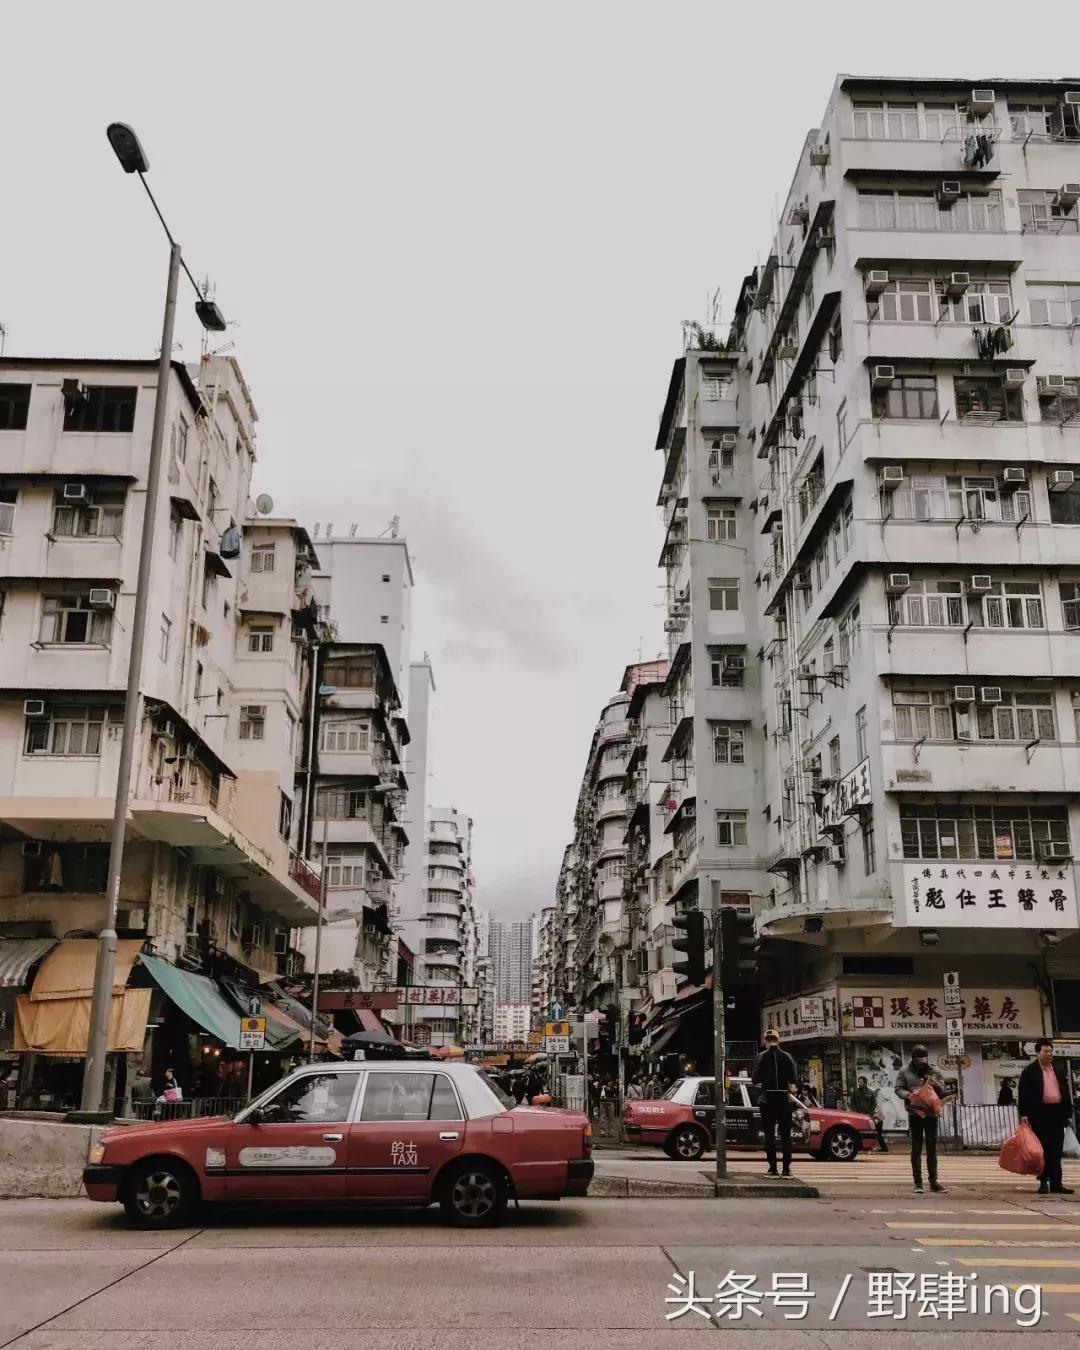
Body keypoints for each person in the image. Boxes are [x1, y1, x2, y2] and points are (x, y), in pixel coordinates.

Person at [1018, 1038, 1075, 1196]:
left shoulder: (1058, 1068)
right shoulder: (1030, 1072)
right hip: (1039, 1114)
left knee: (1056, 1150)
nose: (1049, 1054)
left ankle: (1057, 1183)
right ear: (1037, 1053)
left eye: (1051, 1051)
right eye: (1046, 1051)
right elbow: (1023, 1095)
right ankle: (1043, 1182)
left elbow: (1065, 1091)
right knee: (1041, 1150)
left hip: (1057, 1113)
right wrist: (1024, 1115)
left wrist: (1068, 1113)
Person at [895, 1045, 948, 1194]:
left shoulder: (934, 1070)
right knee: (916, 1147)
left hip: (931, 1113)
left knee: (932, 1148)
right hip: (915, 1113)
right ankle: (918, 1183)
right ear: (913, 1059)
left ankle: (934, 1182)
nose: (922, 1062)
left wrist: (934, 1083)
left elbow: (943, 1090)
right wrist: (909, 1094)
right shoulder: (904, 1071)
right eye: (919, 1059)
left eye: (924, 1059)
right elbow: (898, 1088)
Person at [752, 1028, 798, 1177]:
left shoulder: (761, 1057)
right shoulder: (788, 1057)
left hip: (768, 1100)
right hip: (784, 1099)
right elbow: (794, 1080)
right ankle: (786, 1169)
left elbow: (755, 1079)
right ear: (778, 1041)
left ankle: (773, 1168)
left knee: (769, 1135)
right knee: (786, 1136)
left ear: (765, 1041)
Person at [852, 1075, 890, 1153]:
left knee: (873, 1132)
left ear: (865, 1083)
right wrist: (855, 1112)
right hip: (859, 1115)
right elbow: (852, 1103)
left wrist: (870, 1112)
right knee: (861, 1131)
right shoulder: (855, 1092)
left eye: (860, 1082)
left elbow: (874, 1104)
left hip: (869, 1116)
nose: (859, 1083)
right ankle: (864, 1147)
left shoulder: (870, 1092)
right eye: (858, 1081)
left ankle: (874, 1147)